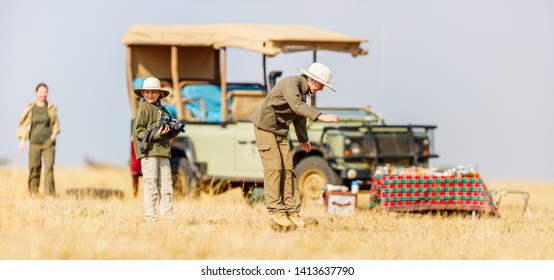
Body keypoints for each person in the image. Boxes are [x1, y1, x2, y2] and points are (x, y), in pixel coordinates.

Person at [251, 62, 340, 228]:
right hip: (265, 128)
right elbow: (297, 106)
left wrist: (303, 139)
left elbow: (299, 117)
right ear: (313, 80)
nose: (321, 89)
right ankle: (276, 210)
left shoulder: (302, 92)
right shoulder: (291, 83)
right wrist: (322, 116)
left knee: (288, 169)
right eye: (322, 85)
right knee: (275, 168)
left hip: (280, 131)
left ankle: (291, 211)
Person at [133, 77, 181, 221]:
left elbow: (168, 133)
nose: (150, 95)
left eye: (154, 92)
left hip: (164, 152)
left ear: (160, 93)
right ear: (143, 93)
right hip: (149, 153)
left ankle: (168, 217)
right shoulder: (143, 109)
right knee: (151, 186)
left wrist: (175, 128)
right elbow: (139, 132)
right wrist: (157, 133)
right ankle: (151, 218)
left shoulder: (164, 110)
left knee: (166, 187)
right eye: (147, 92)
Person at [17, 83, 60, 197]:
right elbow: (26, 125)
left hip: (48, 142)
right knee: (34, 167)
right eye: (41, 92)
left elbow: (55, 123)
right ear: (36, 93)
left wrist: (54, 135)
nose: (43, 94)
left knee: (49, 167)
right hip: (34, 142)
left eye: (45, 92)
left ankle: (49, 194)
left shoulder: (50, 107)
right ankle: (33, 192)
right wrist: (22, 141)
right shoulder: (32, 108)